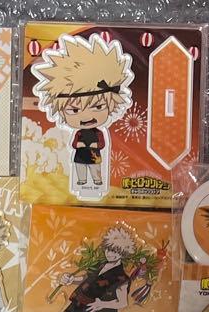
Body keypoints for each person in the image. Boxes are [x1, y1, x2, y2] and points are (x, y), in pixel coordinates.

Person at [30, 33, 133, 196]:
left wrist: (95, 146)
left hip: (94, 155)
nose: (87, 117)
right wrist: (78, 145)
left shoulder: (99, 132)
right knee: (80, 169)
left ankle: (97, 182)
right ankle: (82, 181)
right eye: (74, 110)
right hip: (80, 155)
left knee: (96, 169)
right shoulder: (77, 133)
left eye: (98, 106)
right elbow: (73, 144)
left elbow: (102, 143)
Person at [35, 225, 137, 312]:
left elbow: (122, 302)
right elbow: (87, 279)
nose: (110, 254)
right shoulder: (101, 265)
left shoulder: (121, 277)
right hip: (77, 304)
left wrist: (102, 304)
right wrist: (71, 280)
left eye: (115, 251)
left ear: (123, 253)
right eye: (108, 249)